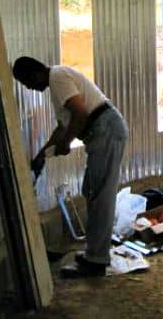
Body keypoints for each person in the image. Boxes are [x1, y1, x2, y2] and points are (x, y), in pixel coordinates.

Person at [12, 56, 128, 278]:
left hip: (106, 130)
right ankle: (95, 254)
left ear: (35, 73)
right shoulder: (58, 82)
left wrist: (66, 142)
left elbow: (80, 113)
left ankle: (96, 260)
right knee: (92, 191)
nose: (29, 88)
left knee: (100, 195)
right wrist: (43, 152)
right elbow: (62, 127)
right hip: (104, 132)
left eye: (27, 82)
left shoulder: (57, 77)